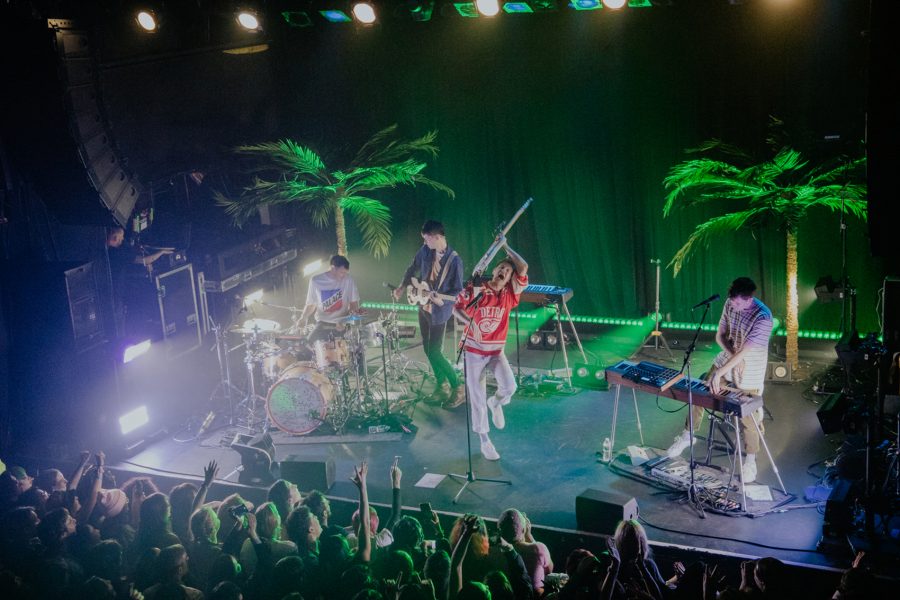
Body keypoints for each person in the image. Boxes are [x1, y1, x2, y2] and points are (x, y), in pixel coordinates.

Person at [666, 276, 774, 483]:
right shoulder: (730, 303)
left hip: (751, 368)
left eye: (738, 303)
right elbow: (720, 336)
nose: (734, 306)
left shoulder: (763, 318)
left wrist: (724, 369)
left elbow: (745, 352)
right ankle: (688, 435)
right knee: (699, 392)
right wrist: (723, 366)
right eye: (732, 301)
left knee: (748, 415)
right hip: (727, 359)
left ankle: (750, 460)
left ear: (749, 299)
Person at [452, 235, 527, 461]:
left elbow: (523, 267)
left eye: (508, 271)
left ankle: (496, 402)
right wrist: (470, 323)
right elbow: (456, 308)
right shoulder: (477, 289)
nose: (504, 271)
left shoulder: (510, 295)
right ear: (494, 271)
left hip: (495, 351)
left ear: (510, 278)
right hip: (473, 351)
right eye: (501, 267)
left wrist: (505, 245)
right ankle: (485, 441)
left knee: (510, 387)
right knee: (477, 396)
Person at [393, 220, 466, 408]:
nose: (425, 242)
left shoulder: (454, 260)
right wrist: (402, 286)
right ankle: (442, 386)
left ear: (437, 237)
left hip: (439, 311)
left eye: (427, 239)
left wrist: (442, 300)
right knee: (427, 348)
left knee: (434, 350)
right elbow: (412, 267)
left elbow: (457, 290)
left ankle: (457, 386)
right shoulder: (425, 250)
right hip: (423, 305)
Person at [299, 254, 362, 342]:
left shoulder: (349, 280)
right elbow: (311, 304)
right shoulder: (316, 281)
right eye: (341, 273)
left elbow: (354, 305)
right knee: (308, 344)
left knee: (352, 346)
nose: (344, 276)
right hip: (323, 323)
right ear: (333, 268)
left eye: (346, 273)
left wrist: (345, 321)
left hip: (343, 323)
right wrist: (303, 317)